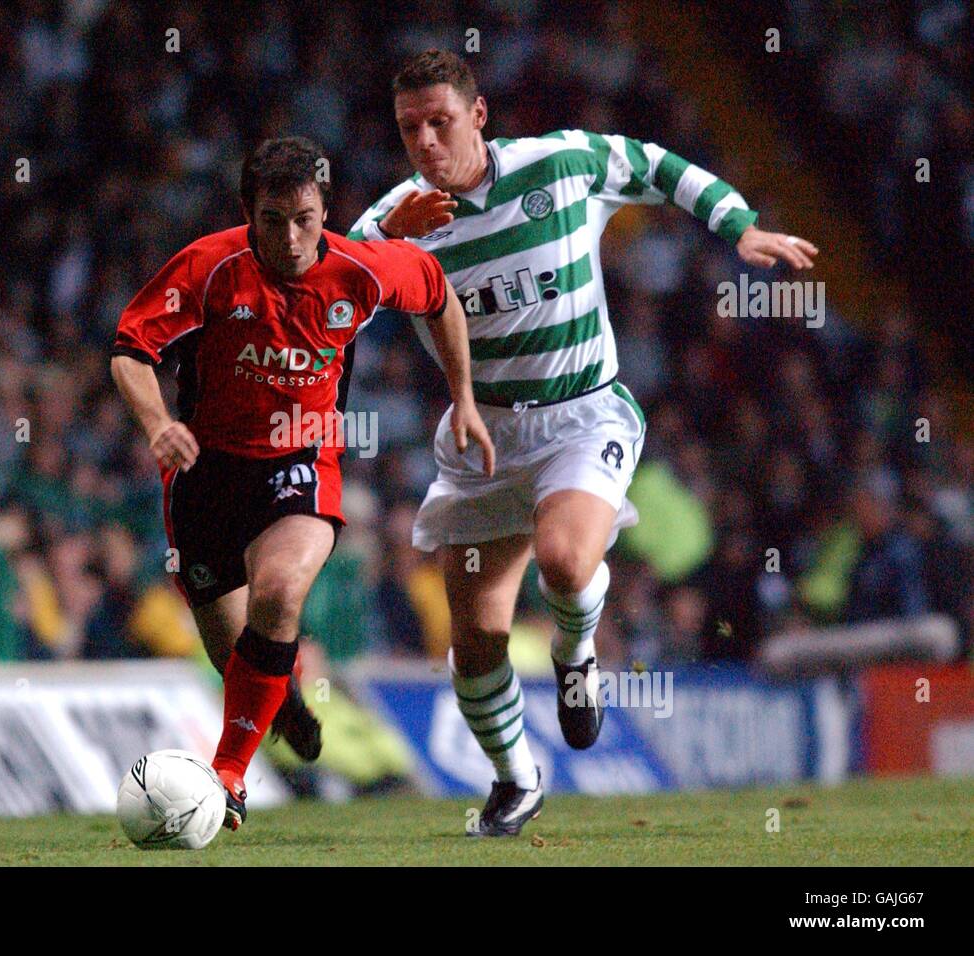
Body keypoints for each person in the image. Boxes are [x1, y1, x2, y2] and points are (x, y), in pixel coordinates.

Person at [350, 49, 819, 836]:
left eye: (440, 121)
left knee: (567, 562)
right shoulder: (395, 217)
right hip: (482, 437)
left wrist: (738, 225)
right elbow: (334, 305)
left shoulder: (560, 164)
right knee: (476, 640)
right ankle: (515, 781)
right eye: (410, 128)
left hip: (582, 414)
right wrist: (383, 243)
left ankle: (576, 656)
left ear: (479, 115)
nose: (426, 141)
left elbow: (657, 165)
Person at [111, 136, 493, 830]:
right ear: (247, 213)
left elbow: (440, 297)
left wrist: (462, 394)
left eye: (305, 219)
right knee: (237, 657)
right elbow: (130, 349)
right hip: (204, 474)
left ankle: (227, 776)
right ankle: (279, 697)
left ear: (325, 210)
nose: (290, 239)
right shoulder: (210, 265)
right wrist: (156, 421)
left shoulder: (362, 270)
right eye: (272, 220)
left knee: (280, 593)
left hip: (300, 462)